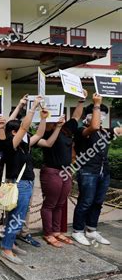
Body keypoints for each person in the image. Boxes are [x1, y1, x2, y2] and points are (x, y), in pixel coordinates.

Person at [0, 96, 47, 265]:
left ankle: (9, 242)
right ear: (14, 133)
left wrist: (43, 118)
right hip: (19, 185)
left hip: (27, 183)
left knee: (15, 216)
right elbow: (24, 126)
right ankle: (7, 249)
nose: (26, 133)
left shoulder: (25, 146)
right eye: (22, 131)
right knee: (17, 217)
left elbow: (40, 133)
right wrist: (32, 108)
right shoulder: (10, 145)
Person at [71, 94, 122, 245]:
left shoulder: (105, 132)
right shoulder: (82, 131)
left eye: (102, 116)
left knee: (98, 202)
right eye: (97, 115)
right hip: (87, 172)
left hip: (103, 173)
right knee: (85, 202)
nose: (100, 118)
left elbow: (119, 130)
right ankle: (77, 231)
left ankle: (91, 230)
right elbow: (93, 126)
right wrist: (97, 104)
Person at [37, 93, 86, 247]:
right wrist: (49, 120)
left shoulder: (66, 129)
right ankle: (48, 233)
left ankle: (57, 231)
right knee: (50, 204)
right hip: (51, 171)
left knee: (60, 204)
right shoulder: (46, 130)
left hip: (66, 171)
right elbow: (46, 140)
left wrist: (81, 100)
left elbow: (76, 116)